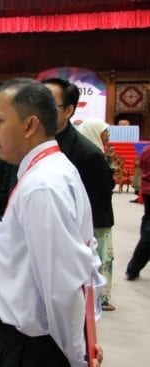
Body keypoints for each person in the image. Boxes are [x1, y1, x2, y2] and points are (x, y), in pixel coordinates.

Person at [0, 78, 104, 367]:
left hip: (31, 351)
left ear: (29, 125)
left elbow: (63, 287)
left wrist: (78, 358)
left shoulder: (43, 186)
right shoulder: (49, 171)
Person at [42, 78, 116, 311]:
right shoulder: (30, 143)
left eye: (49, 105)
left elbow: (97, 207)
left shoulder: (88, 154)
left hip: (71, 247)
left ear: (69, 110)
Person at [77, 118, 116, 311]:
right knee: (102, 257)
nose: (107, 136)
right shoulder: (94, 156)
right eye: (104, 132)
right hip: (99, 217)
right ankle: (102, 297)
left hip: (93, 215)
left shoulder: (90, 153)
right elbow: (105, 188)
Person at [126, 144, 150, 280]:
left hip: (146, 189)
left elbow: (140, 164)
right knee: (148, 234)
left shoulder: (147, 149)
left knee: (147, 219)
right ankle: (133, 268)